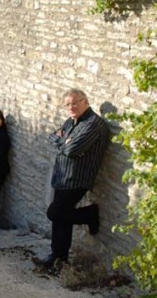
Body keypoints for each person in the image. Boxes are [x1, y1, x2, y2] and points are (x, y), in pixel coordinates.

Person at [39, 89, 108, 268]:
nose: (71, 107)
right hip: (62, 175)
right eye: (68, 104)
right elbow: (53, 136)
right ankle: (59, 256)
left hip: (77, 178)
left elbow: (72, 150)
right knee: (61, 218)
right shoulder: (71, 121)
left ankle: (89, 214)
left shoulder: (93, 124)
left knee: (54, 212)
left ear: (85, 101)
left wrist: (65, 142)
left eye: (75, 103)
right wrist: (65, 140)